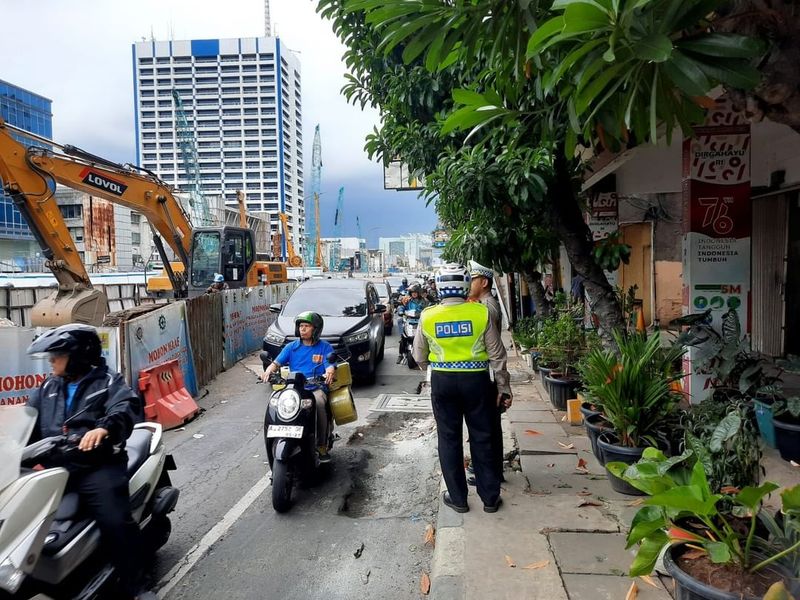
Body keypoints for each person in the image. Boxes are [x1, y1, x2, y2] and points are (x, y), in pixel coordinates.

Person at [26, 324, 154, 600]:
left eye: (58, 355)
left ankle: (138, 586)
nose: (51, 360)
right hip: (55, 467)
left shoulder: (108, 381)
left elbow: (125, 407)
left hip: (97, 465)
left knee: (115, 520)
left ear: (79, 355)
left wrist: (103, 428)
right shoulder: (47, 387)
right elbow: (28, 424)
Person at [412, 263, 511, 514]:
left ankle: (458, 499)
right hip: (477, 381)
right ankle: (490, 499)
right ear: (466, 285)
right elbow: (497, 355)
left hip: (443, 382)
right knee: (483, 436)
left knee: (448, 439)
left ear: (439, 287)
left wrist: (438, 366)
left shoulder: (428, 315)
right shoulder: (480, 313)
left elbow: (418, 356)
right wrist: (503, 387)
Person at [261, 311, 336, 461]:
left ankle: (321, 445)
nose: (302, 329)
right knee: (275, 404)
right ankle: (276, 442)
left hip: (315, 388)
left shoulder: (324, 347)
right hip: (294, 389)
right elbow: (276, 363)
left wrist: (329, 372)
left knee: (320, 403)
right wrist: (267, 372)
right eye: (301, 326)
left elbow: (330, 365)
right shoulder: (291, 347)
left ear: (316, 329)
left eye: (307, 326)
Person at [467, 260, 512, 486]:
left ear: (483, 282)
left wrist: (502, 386)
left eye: (472, 279)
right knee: (489, 426)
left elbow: (495, 350)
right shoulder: (483, 303)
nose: (468, 283)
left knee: (487, 428)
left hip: (489, 376)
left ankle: (490, 472)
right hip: (489, 375)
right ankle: (490, 469)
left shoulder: (487, 308)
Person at [396, 283, 429, 364]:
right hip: (409, 321)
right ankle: (400, 355)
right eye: (412, 292)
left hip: (421, 321)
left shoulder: (424, 301)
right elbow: (401, 306)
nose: (414, 294)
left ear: (418, 292)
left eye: (415, 292)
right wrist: (400, 310)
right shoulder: (407, 300)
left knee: (427, 338)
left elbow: (428, 308)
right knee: (403, 337)